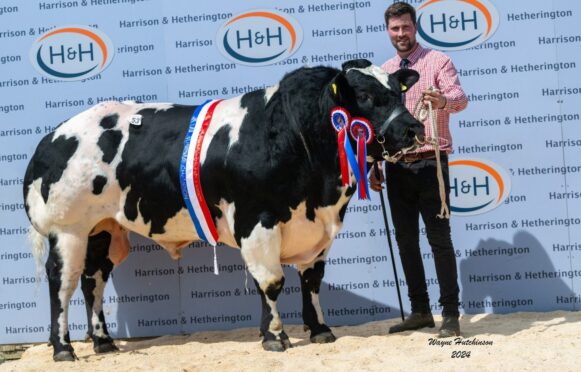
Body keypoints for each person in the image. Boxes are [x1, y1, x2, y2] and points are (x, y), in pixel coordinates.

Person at [370, 2, 468, 337]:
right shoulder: (384, 71)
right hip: (397, 168)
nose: (401, 34)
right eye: (395, 29)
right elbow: (380, 124)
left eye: (406, 27)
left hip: (431, 163)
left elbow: (459, 98)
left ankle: (451, 315)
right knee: (406, 242)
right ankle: (420, 312)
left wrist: (441, 101)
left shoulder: (438, 61)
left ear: (415, 27)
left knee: (440, 240)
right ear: (388, 31)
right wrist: (375, 163)